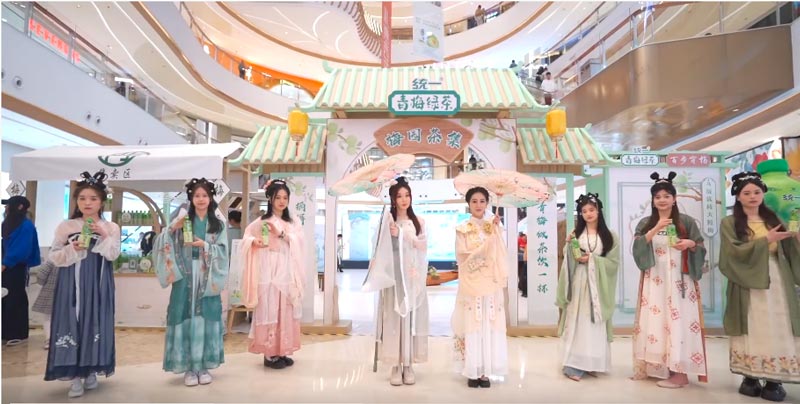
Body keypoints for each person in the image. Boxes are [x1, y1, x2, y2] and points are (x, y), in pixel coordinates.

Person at [720, 172, 800, 402]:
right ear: (738, 196)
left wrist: (795, 238)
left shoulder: (774, 219)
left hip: (777, 280)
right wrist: (765, 241)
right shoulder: (730, 223)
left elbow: (790, 251)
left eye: (756, 192)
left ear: (763, 194)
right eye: (746, 193)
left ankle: (775, 379)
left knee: (779, 323)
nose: (752, 196)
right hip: (746, 283)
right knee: (752, 324)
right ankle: (750, 375)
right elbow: (732, 253)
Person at [45, 171, 120, 398]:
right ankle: (74, 376)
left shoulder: (111, 227)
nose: (88, 203)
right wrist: (72, 248)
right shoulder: (66, 226)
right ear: (76, 201)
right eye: (82, 198)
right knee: (72, 320)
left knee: (95, 321)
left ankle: (91, 370)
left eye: (93, 199)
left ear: (102, 202)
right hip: (71, 282)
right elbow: (54, 256)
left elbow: (113, 255)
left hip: (98, 284)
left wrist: (104, 234)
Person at [631, 171, 708, 388]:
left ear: (674, 199)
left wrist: (690, 244)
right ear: (653, 200)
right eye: (657, 197)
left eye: (667, 196)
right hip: (655, 281)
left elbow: (700, 246)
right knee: (655, 322)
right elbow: (637, 247)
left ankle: (680, 372)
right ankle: (658, 367)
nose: (662, 200)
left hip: (680, 282)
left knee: (679, 322)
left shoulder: (686, 222)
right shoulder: (646, 222)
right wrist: (657, 227)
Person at [154, 178, 229, 387]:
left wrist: (205, 245)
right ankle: (188, 367)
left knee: (205, 316)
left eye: (205, 195)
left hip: (207, 275)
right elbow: (161, 242)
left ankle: (203, 365)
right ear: (191, 198)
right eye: (197, 195)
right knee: (184, 313)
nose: (201, 199)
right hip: (186, 274)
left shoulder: (218, 224)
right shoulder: (182, 219)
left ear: (211, 198)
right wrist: (172, 228)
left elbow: (223, 251)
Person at [363, 177, 429, 386]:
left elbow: (422, 246)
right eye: (399, 196)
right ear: (392, 199)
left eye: (407, 195)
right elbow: (377, 248)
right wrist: (387, 231)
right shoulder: (387, 220)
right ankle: (394, 365)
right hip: (393, 277)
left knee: (409, 320)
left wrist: (401, 234)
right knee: (392, 319)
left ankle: (408, 364)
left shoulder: (418, 222)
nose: (404, 199)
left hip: (411, 277)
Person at [240, 179, 306, 369]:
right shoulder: (262, 221)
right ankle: (269, 354)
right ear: (270, 199)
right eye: (278, 197)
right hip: (268, 270)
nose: (282, 201)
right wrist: (254, 242)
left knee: (285, 308)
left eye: (285, 197)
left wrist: (282, 234)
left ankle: (282, 349)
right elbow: (247, 237)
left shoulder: (293, 222)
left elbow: (300, 241)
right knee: (270, 308)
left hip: (287, 269)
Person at [556, 193, 620, 381]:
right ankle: (574, 365)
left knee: (593, 323)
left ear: (599, 211)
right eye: (584, 211)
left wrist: (592, 259)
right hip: (579, 283)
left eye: (591, 210)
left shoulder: (610, 236)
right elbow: (568, 257)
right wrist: (568, 246)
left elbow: (613, 263)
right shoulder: (576, 234)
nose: (588, 214)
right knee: (578, 321)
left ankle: (591, 362)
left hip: (597, 286)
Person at [452, 187, 508, 388]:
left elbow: (501, 253)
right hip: (471, 282)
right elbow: (462, 256)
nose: (478, 205)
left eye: (482, 201)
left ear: (487, 203)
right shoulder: (462, 228)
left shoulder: (495, 226)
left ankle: (485, 371)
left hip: (491, 283)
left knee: (489, 324)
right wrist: (482, 255)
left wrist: (496, 231)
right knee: (473, 324)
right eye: (474, 201)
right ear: (468, 203)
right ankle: (473, 369)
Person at [2, 195, 40, 346]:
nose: (6, 208)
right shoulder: (8, 224)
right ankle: (4, 331)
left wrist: (5, 263)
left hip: (16, 267)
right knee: (4, 298)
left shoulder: (25, 226)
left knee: (15, 297)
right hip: (6, 265)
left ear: (19, 207)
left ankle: (16, 333)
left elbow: (21, 249)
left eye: (8, 205)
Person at [32, 260, 58, 350]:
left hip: (50, 291)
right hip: (70, 292)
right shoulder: (77, 259)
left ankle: (49, 340)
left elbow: (41, 274)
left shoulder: (53, 259)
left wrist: (43, 283)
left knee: (48, 317)